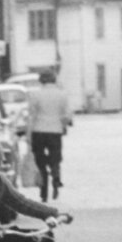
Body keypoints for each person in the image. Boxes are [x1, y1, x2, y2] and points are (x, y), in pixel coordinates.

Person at [25, 70, 73, 202]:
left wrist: (28, 134)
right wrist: (63, 124)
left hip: (38, 131)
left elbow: (31, 116)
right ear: (54, 80)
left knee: (40, 160)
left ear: (41, 80)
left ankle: (43, 190)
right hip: (55, 131)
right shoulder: (62, 95)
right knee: (55, 157)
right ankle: (56, 176)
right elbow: (67, 115)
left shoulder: (35, 95)